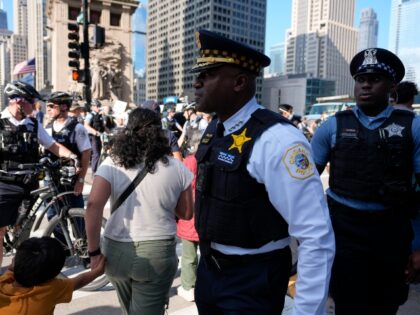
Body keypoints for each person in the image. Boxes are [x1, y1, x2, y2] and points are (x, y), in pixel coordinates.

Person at [191, 29, 335, 315]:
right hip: (210, 272)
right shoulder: (216, 129)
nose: (196, 83)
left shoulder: (278, 139)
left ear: (240, 82)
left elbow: (315, 235)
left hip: (252, 281)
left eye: (207, 75)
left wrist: (306, 311)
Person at [311, 48, 420, 315]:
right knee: (347, 302)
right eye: (361, 79)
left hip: (391, 231)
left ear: (391, 86)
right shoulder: (332, 126)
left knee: (387, 303)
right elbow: (306, 185)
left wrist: (418, 246)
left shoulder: (412, 127)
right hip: (344, 230)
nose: (366, 85)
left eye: (375, 79)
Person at [85, 107, 194, 314]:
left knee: (129, 309)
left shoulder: (112, 163)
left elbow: (93, 205)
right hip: (157, 251)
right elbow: (187, 213)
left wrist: (93, 253)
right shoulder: (178, 168)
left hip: (115, 251)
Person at [0, 81, 78, 267]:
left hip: (31, 184)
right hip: (5, 183)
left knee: (23, 232)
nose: (36, 106)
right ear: (19, 101)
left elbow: (52, 145)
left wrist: (71, 155)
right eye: (32, 102)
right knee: (0, 230)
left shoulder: (33, 124)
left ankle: (15, 272)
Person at [0, 236, 105, 315]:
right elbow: (79, 281)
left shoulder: (3, 281)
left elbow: (11, 269)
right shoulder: (49, 290)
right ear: (52, 278)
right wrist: (98, 271)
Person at [176, 127, 201, 302]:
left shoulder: (189, 161)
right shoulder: (212, 159)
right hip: (207, 213)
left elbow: (182, 187)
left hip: (190, 215)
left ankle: (188, 286)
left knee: (189, 256)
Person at [84, 99, 106, 173]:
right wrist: (95, 132)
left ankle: (96, 168)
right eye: (97, 106)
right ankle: (94, 171)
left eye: (99, 106)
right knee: (96, 153)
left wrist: (110, 132)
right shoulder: (90, 115)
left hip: (97, 136)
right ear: (92, 107)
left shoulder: (99, 115)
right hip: (91, 136)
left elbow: (103, 126)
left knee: (98, 152)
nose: (99, 107)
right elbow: (86, 125)